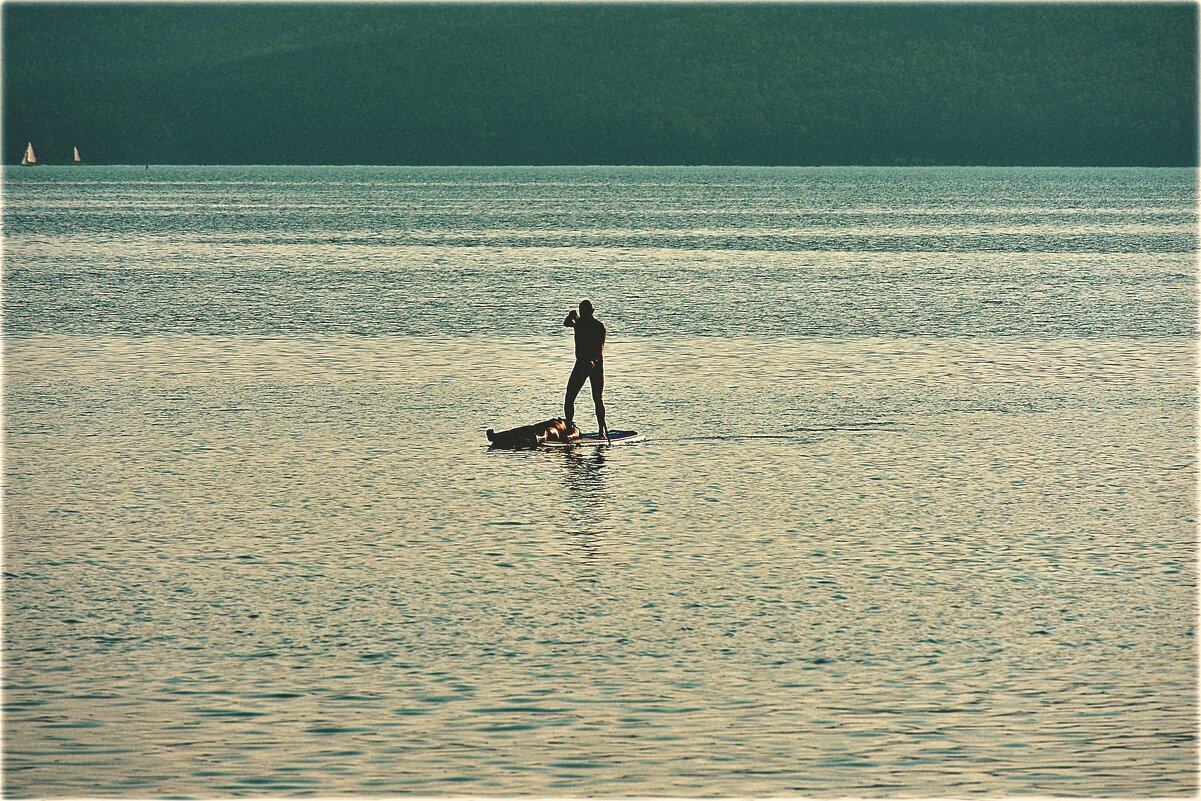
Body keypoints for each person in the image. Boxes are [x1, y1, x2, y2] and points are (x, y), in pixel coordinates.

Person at [563, 299, 608, 441]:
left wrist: (593, 362)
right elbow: (566, 323)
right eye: (581, 312)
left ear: (591, 312)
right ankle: (569, 427)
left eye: (585, 312)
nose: (583, 315)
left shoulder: (599, 327)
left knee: (597, 398)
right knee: (569, 397)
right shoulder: (579, 323)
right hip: (581, 364)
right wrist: (571, 316)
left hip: (595, 366)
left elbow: (599, 349)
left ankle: (601, 431)